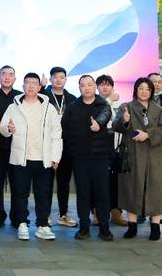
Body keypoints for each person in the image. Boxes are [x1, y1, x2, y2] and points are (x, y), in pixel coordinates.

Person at [0, 72, 62, 241]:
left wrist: (55, 157)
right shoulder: (14, 106)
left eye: (35, 83)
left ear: (40, 87)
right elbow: (3, 128)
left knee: (43, 194)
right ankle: (22, 223)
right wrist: (8, 129)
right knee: (20, 193)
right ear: (23, 86)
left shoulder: (49, 108)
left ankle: (43, 225)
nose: (31, 86)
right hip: (21, 158)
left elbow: (56, 133)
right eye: (28, 83)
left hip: (44, 159)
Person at [112, 77, 162, 240]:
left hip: (154, 154)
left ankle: (155, 226)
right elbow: (115, 126)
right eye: (141, 88)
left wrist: (148, 135)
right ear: (136, 90)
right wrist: (124, 121)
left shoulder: (157, 109)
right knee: (132, 188)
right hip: (133, 153)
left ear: (151, 92)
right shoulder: (126, 107)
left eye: (147, 89)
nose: (144, 92)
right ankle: (132, 226)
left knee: (155, 188)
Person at [62, 75, 114, 241]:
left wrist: (98, 123)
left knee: (102, 194)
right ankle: (84, 228)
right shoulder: (72, 107)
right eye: (83, 85)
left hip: (101, 158)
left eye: (90, 85)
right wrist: (71, 151)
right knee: (83, 194)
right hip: (79, 159)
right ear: (79, 88)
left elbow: (105, 115)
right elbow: (65, 130)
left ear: (95, 87)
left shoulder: (103, 104)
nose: (87, 88)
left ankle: (104, 229)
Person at [0, 65, 22, 229]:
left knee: (18, 184)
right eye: (4, 74)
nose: (7, 77)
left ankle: (16, 217)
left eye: (10, 74)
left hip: (18, 148)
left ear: (15, 79)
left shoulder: (21, 97)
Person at [43, 66, 77, 228]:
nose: (58, 80)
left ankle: (63, 214)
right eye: (55, 77)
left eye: (61, 77)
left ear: (65, 80)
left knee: (64, 183)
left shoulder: (72, 99)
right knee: (46, 182)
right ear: (50, 79)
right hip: (48, 144)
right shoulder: (43, 96)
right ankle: (46, 214)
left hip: (67, 145)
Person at [96, 74, 127, 227]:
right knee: (98, 182)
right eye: (102, 84)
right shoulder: (94, 103)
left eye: (108, 84)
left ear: (113, 87)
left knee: (116, 183)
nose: (105, 87)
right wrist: (109, 101)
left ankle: (116, 212)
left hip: (117, 148)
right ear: (97, 87)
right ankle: (97, 213)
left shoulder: (121, 105)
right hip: (98, 148)